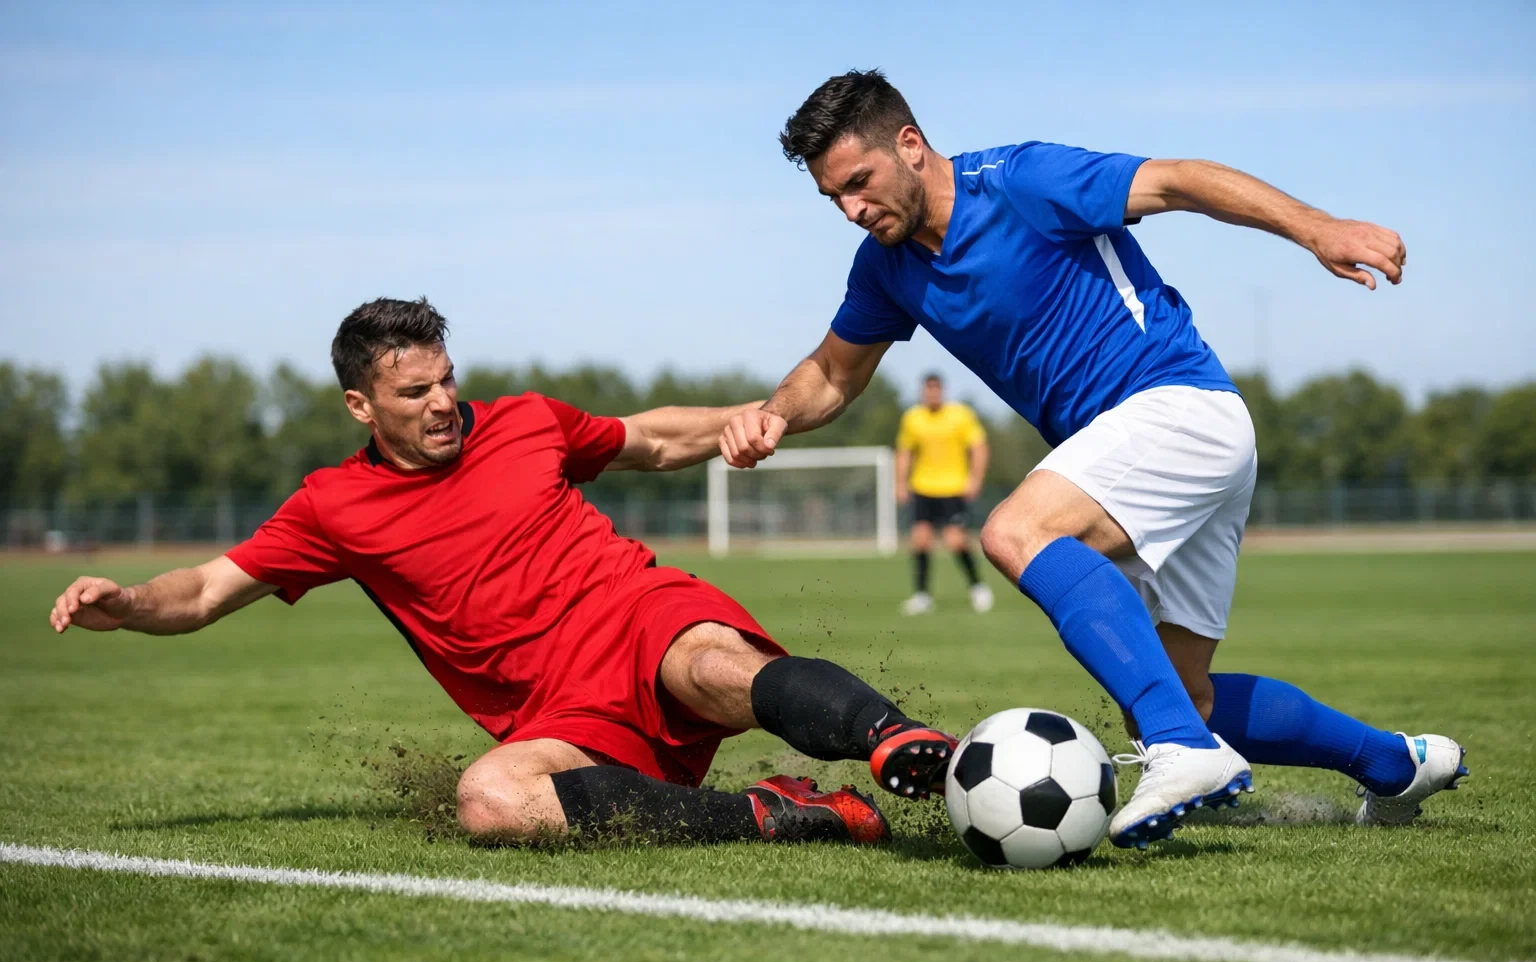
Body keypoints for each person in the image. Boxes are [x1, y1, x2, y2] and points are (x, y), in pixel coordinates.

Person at [718, 70, 1466, 848]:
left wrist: (1317, 228)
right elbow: (833, 373)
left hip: (1177, 406)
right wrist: (775, 414)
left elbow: (1177, 181)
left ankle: (1180, 749)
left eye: (859, 183)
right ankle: (1394, 764)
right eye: (833, 198)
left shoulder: (1020, 182)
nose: (851, 210)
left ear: (909, 145)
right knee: (1186, 693)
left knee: (1018, 532)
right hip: (1164, 443)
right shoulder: (886, 267)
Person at [48, 296, 959, 846]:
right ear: (361, 405)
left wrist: (761, 416)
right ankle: (779, 815)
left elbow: (647, 439)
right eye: (415, 392)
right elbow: (208, 589)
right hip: (560, 710)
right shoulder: (333, 506)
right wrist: (127, 602)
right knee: (489, 800)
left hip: (636, 615)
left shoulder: (525, 421)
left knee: (717, 666)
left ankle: (903, 740)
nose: (443, 403)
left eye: (447, 379)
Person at [894, 372, 992, 615]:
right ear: (923, 392)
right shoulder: (913, 418)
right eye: (928, 390)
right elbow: (905, 452)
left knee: (955, 541)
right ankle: (922, 595)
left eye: (936, 389)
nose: (932, 394)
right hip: (923, 487)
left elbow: (979, 447)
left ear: (942, 391)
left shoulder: (960, 415)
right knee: (920, 540)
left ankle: (977, 587)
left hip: (952, 488)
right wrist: (900, 483)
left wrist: (975, 479)